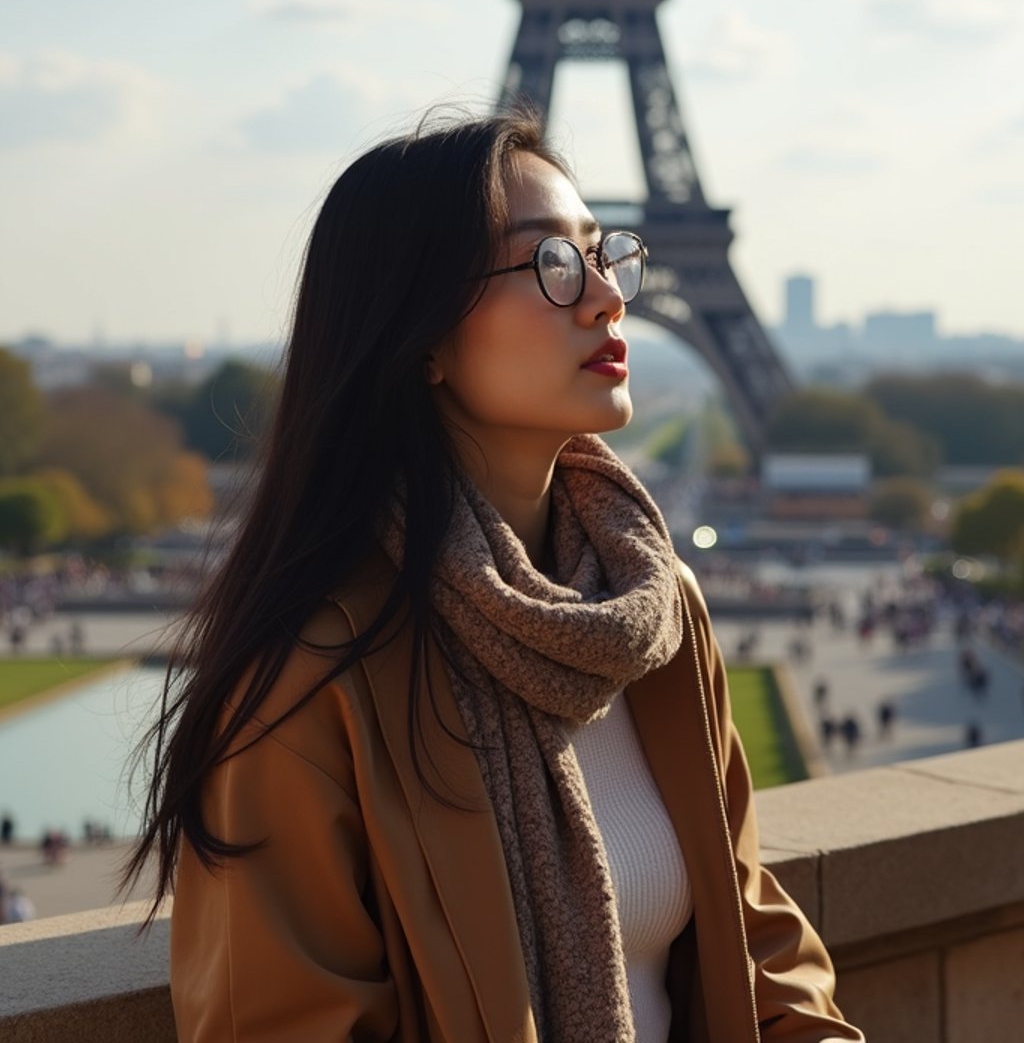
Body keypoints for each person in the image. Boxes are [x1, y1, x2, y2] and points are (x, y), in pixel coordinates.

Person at [125, 109, 863, 1042]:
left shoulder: (657, 607)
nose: (606, 297)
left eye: (604, 256)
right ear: (420, 334)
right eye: (552, 264)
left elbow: (752, 942)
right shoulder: (311, 669)